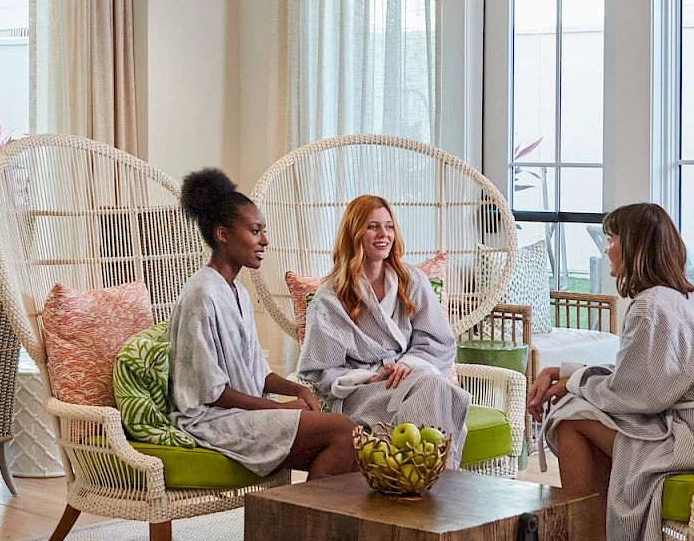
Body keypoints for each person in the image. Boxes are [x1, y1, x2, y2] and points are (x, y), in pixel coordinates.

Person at [528, 202, 694, 541]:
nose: (605, 250)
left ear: (634, 247)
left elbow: (635, 395)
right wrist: (567, 374)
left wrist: (571, 382)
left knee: (570, 418)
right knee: (577, 407)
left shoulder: (651, 307)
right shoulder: (687, 296)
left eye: (611, 240)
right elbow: (643, 374)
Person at [168, 168, 358, 480]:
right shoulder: (201, 294)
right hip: (211, 421)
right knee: (344, 432)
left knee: (354, 448)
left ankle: (315, 525)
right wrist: (280, 409)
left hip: (241, 416)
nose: (264, 240)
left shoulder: (238, 292)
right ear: (223, 235)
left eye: (263, 231)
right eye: (255, 231)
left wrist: (297, 389)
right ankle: (299, 527)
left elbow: (258, 373)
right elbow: (212, 393)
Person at [298, 195, 469, 464]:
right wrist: (367, 378)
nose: (384, 234)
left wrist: (409, 365)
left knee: (430, 387)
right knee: (437, 392)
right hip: (364, 393)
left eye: (389, 226)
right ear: (354, 233)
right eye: (373, 226)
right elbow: (321, 370)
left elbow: (439, 341)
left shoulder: (412, 280)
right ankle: (431, 483)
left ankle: (409, 478)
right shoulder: (330, 297)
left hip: (413, 378)